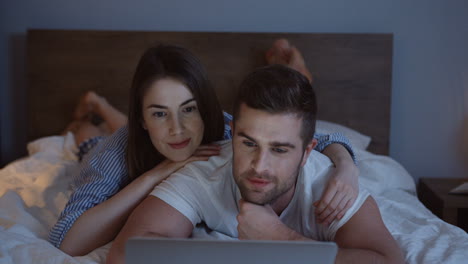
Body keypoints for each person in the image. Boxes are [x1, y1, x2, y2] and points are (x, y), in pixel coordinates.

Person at [49, 43, 359, 256]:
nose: (178, 129)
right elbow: (67, 242)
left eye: (189, 109)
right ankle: (95, 109)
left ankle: (293, 74)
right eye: (159, 113)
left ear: (206, 108)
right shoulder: (115, 152)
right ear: (142, 119)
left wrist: (346, 166)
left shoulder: (226, 129)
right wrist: (153, 176)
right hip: (112, 145)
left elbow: (310, 138)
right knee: (87, 138)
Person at [107, 64, 404, 264]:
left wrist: (282, 239)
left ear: (307, 152)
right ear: (233, 133)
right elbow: (124, 253)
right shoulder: (205, 172)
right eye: (248, 143)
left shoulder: (329, 187)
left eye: (279, 149)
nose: (259, 166)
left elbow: (390, 262)